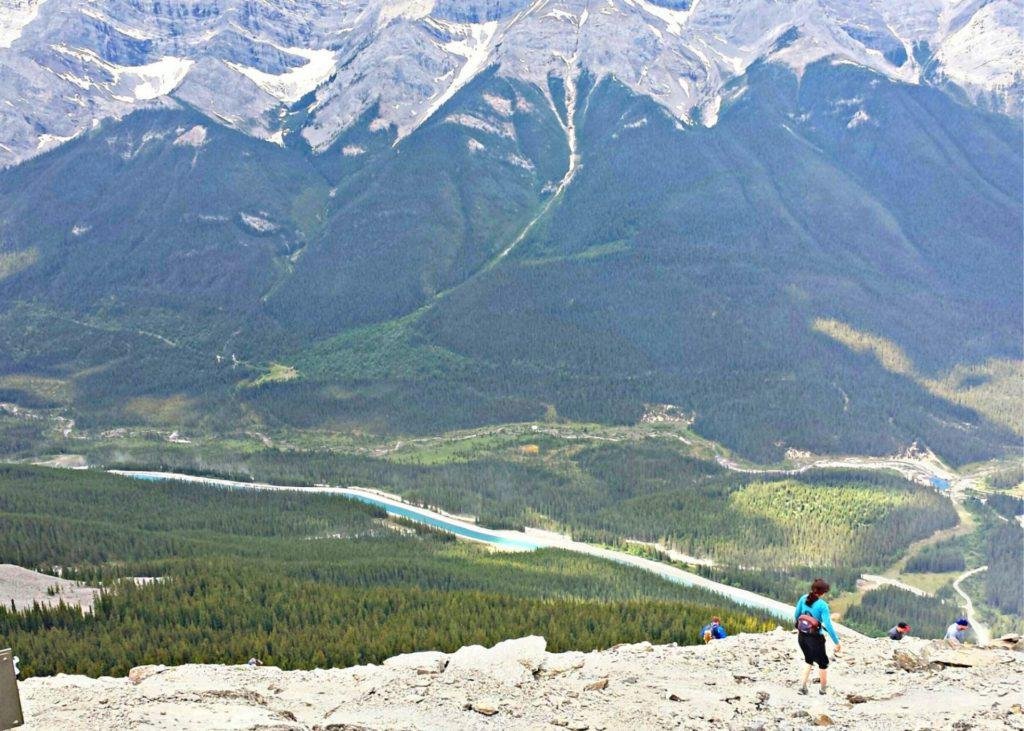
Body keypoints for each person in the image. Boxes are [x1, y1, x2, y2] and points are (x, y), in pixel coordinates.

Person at [794, 578, 842, 696]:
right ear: (822, 592)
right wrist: (837, 642)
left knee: (808, 660)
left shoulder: (802, 598)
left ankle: (802, 687)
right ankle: (823, 690)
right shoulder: (823, 605)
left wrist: (802, 630)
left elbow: (796, 615)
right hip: (815, 639)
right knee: (823, 664)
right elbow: (828, 626)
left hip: (802, 636)